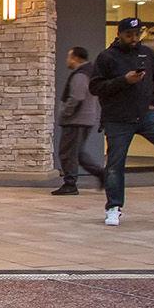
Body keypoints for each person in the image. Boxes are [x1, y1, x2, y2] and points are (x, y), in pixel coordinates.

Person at [90, 18, 154, 226]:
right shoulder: (107, 57)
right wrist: (124, 81)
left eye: (137, 34)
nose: (134, 39)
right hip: (118, 117)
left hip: (146, 115)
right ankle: (114, 207)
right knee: (115, 163)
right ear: (119, 34)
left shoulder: (148, 54)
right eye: (129, 35)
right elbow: (96, 87)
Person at [54, 46, 106, 197]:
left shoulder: (80, 75)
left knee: (67, 153)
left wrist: (65, 113)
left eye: (69, 57)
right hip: (84, 119)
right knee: (78, 153)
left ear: (76, 58)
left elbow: (76, 97)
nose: (67, 60)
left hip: (76, 120)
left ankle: (70, 184)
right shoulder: (89, 72)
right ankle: (100, 174)